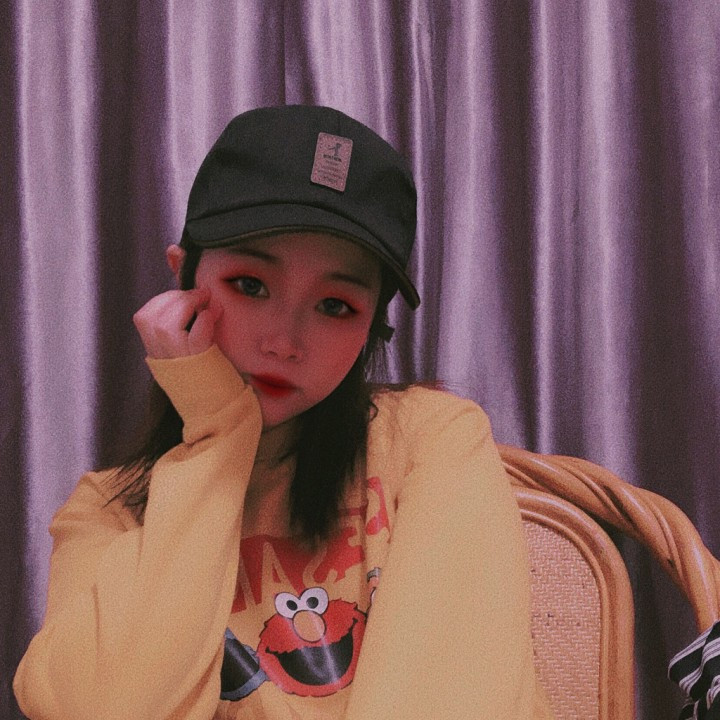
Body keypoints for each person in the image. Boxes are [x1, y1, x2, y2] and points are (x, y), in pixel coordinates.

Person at [14, 105, 554, 719]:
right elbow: (99, 709)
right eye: (250, 285)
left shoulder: (429, 438)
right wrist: (218, 432)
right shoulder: (112, 510)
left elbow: (456, 700)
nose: (284, 342)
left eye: (335, 305)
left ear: (371, 328)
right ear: (183, 279)